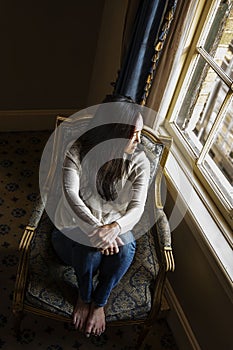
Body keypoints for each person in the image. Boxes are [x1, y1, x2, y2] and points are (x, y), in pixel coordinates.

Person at [51, 95, 150, 337]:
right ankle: (83, 297)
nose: (139, 139)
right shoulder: (76, 150)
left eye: (140, 132)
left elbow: (137, 207)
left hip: (114, 237)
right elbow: (71, 196)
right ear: (113, 132)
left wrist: (114, 228)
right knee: (88, 247)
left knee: (126, 249)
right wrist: (98, 231)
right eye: (133, 133)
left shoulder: (139, 160)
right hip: (71, 234)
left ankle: (99, 303)